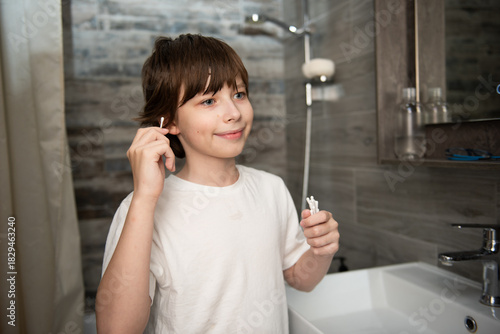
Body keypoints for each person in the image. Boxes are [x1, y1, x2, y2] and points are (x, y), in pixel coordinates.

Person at [96, 33, 340, 334]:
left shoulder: (271, 188)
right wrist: (144, 199)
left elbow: (299, 278)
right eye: (209, 101)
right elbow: (115, 329)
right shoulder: (142, 209)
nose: (234, 113)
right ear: (169, 122)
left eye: (239, 94)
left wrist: (321, 251)